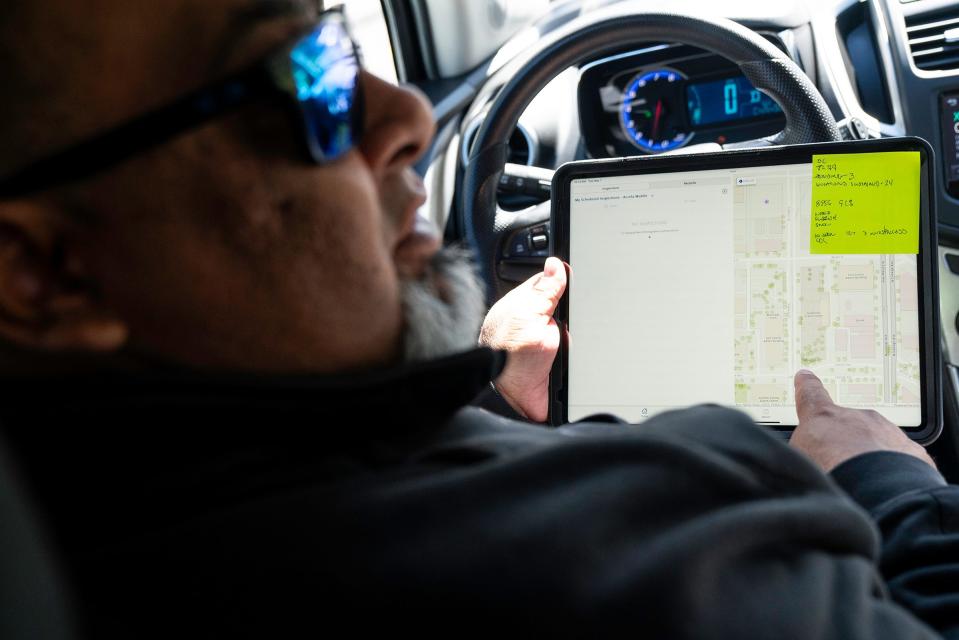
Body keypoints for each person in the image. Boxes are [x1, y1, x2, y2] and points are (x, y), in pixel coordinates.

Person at [0, 1, 956, 638]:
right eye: (302, 91)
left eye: (335, 48)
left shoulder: (71, 529)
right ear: (43, 275)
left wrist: (490, 401)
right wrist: (894, 492)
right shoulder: (652, 558)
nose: (408, 113)